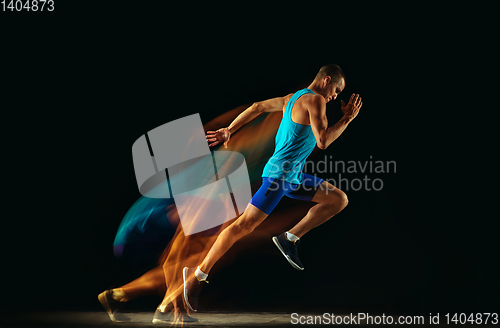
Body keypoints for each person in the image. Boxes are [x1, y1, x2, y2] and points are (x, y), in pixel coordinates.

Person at [180, 64, 363, 312]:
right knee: (242, 226)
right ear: (327, 80)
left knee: (338, 199)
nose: (335, 97)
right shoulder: (316, 101)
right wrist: (347, 119)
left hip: (293, 177)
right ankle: (196, 275)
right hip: (279, 177)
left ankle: (289, 238)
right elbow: (323, 142)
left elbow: (257, 107)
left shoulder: (293, 98)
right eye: (337, 90)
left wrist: (229, 130)